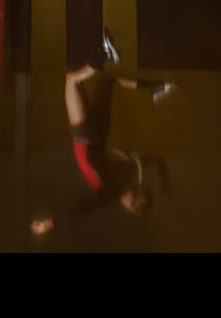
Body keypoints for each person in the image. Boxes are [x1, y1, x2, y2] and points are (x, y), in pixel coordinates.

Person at [30, 28, 175, 237]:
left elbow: (158, 159)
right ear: (131, 203)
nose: (125, 209)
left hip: (100, 130)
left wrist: (165, 181)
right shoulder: (110, 193)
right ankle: (105, 53)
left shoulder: (132, 171)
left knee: (107, 80)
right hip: (85, 135)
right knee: (72, 81)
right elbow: (80, 208)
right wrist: (49, 224)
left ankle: (155, 86)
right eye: (130, 209)